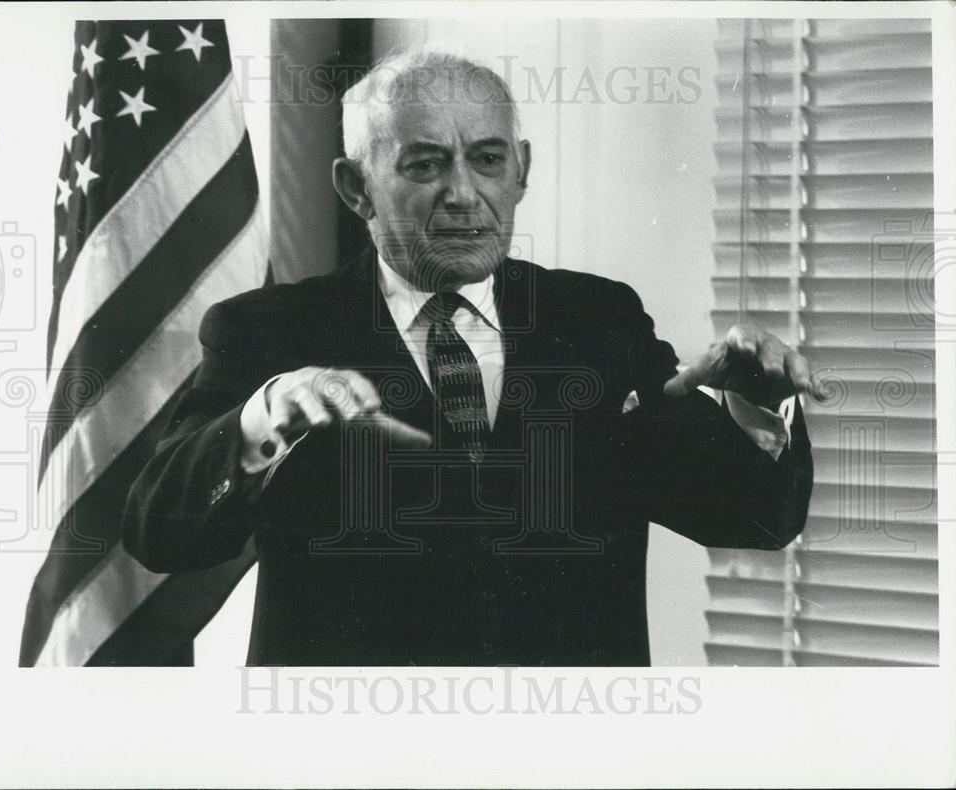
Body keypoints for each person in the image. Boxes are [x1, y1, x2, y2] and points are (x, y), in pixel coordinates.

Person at [123, 49, 821, 666]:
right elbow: (158, 534)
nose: (463, 194)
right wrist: (263, 418)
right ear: (355, 187)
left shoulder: (598, 321)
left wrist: (760, 403)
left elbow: (758, 518)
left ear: (520, 172)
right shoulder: (268, 330)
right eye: (425, 164)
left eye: (487, 160)